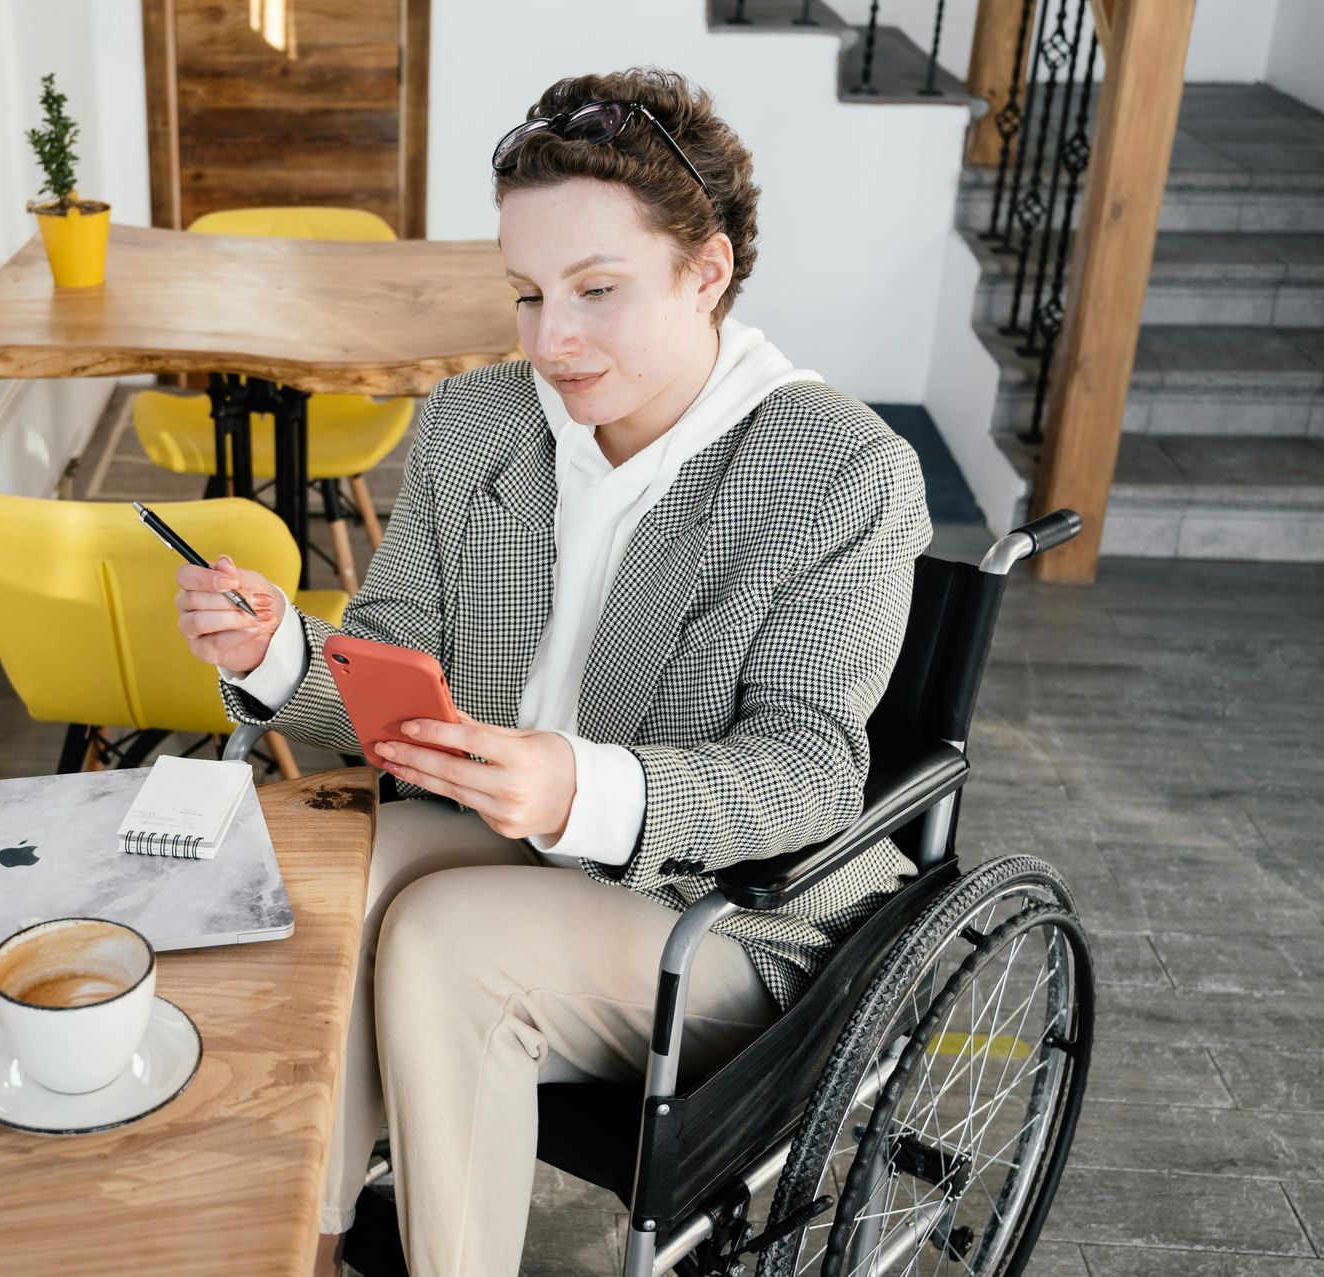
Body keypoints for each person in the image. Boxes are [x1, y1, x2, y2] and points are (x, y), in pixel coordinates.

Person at [172, 65, 931, 1277]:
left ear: (709, 272)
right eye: (527, 293)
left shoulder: (837, 471)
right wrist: (276, 653)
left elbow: (809, 770)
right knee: (316, 878)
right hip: (512, 839)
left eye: (597, 289)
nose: (551, 339)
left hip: (735, 910)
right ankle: (300, 1244)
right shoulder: (482, 422)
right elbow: (390, 670)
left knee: (443, 936)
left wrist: (581, 787)